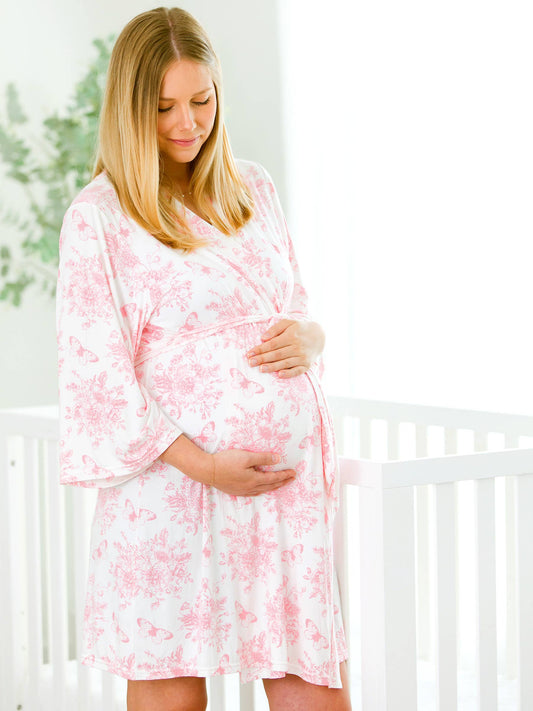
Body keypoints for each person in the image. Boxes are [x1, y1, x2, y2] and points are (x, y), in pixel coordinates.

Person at [56, 6, 351, 711]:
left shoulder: (253, 188)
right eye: (162, 107)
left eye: (200, 99)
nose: (186, 123)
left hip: (278, 499)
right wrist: (207, 464)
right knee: (173, 689)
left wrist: (313, 336)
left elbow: (294, 303)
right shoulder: (99, 216)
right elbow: (97, 376)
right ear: (129, 108)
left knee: (312, 685)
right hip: (170, 495)